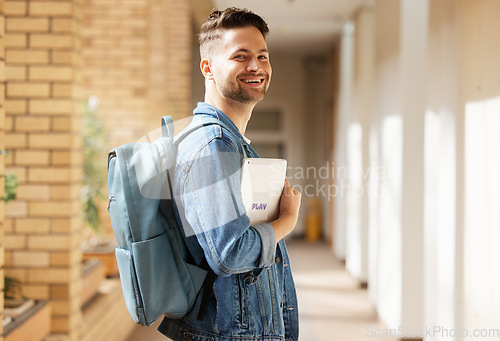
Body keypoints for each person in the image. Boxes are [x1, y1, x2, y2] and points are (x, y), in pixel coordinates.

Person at [157, 7, 301, 341]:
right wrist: (286, 222)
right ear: (207, 68)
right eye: (241, 56)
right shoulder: (214, 145)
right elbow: (230, 252)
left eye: (262, 56)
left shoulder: (230, 142)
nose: (256, 66)